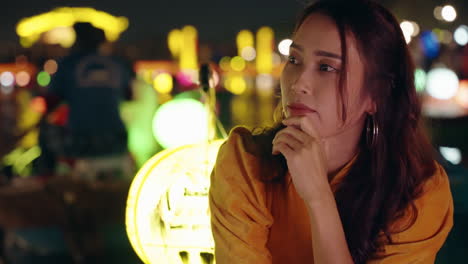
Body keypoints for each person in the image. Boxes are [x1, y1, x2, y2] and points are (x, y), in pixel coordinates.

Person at [209, 1, 453, 263]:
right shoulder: (246, 163)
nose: (298, 82)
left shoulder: (419, 192)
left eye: (327, 68)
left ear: (377, 94)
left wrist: (318, 198)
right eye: (294, 59)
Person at [43, 22, 134, 180]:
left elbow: (51, 102)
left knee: (45, 133)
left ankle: (46, 177)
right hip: (117, 138)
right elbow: (129, 96)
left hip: (81, 140)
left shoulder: (68, 64)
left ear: (78, 40)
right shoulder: (117, 64)